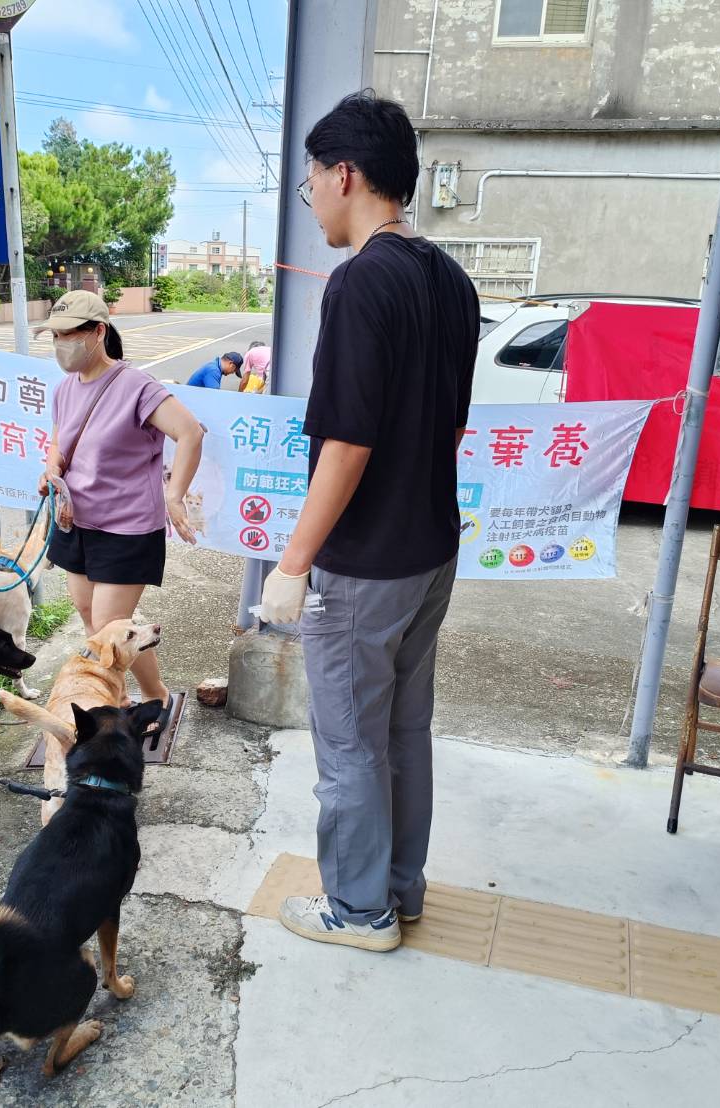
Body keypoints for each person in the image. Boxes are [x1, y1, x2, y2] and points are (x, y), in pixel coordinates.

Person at [259, 91, 479, 951]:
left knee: (349, 740)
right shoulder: (450, 281)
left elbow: (345, 444)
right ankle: (399, 887)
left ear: (344, 174)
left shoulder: (358, 283)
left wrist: (293, 562)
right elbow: (450, 425)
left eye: (311, 178)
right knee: (402, 730)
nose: (309, 194)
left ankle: (359, 911)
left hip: (364, 565)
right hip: (430, 548)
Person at [36, 290, 204, 716]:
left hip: (127, 527)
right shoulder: (64, 389)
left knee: (111, 625)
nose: (60, 343)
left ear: (98, 332)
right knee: (94, 618)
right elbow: (58, 443)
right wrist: (51, 469)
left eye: (68, 334)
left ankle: (141, 700)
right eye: (54, 335)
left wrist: (174, 495)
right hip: (78, 521)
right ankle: (143, 695)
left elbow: (190, 433)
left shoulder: (136, 386)